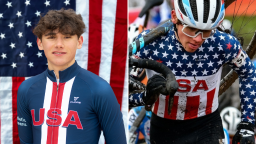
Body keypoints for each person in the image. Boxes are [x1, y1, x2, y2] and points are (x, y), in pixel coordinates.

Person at [129, 0, 256, 143]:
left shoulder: (223, 43)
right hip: (164, 129)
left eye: (206, 31)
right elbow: (122, 96)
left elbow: (249, 72)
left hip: (206, 126)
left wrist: (248, 124)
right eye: (190, 29)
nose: (198, 39)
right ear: (174, 17)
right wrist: (145, 97)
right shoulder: (149, 43)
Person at [17, 9, 126, 144]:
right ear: (40, 43)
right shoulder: (26, 89)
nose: (59, 44)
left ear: (79, 42)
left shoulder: (100, 90)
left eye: (67, 37)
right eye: (51, 37)